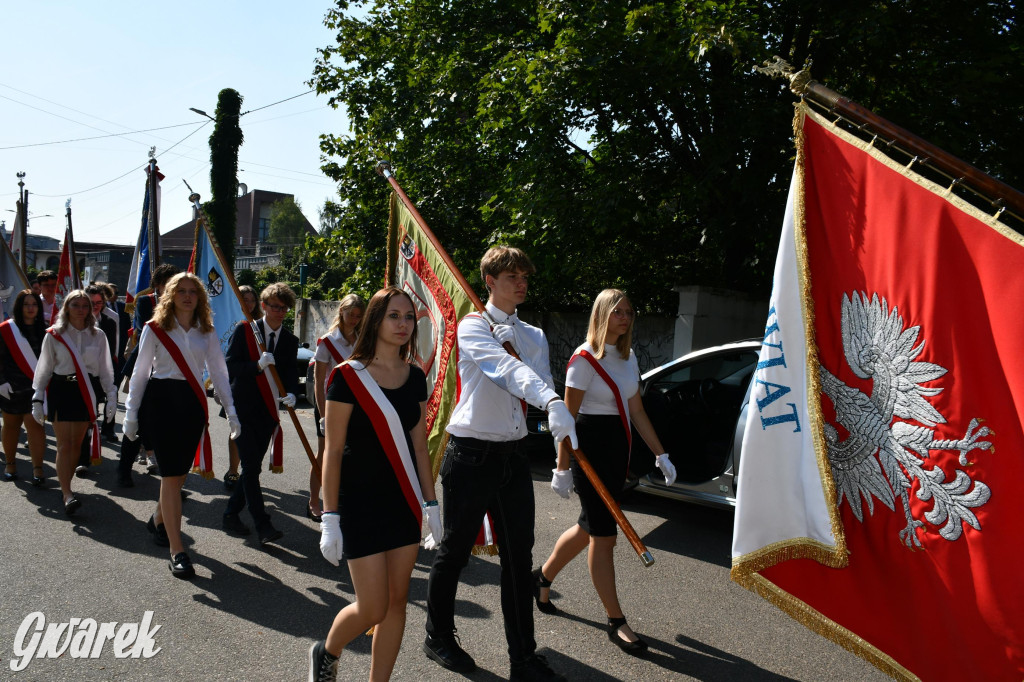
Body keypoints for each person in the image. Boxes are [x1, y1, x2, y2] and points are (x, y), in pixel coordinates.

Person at [423, 246, 576, 682]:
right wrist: (549, 399)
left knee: (518, 557)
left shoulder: (534, 335)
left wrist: (555, 412)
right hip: (471, 454)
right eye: (512, 276)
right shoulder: (473, 327)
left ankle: (523, 658)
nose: (522, 282)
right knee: (453, 552)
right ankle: (438, 636)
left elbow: (539, 381)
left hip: (513, 456)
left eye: (525, 275)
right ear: (489, 281)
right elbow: (504, 370)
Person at [533, 289, 677, 655]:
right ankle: (616, 620)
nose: (625, 317)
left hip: (618, 450)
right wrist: (562, 467)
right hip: (589, 452)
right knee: (604, 534)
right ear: (602, 315)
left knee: (588, 526)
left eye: (629, 311)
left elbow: (638, 412)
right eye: (618, 312)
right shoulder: (583, 359)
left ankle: (543, 577)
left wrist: (661, 455)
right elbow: (565, 420)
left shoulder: (627, 358)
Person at [309, 286, 442, 682]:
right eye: (393, 316)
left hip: (403, 500)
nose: (403, 324)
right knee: (373, 607)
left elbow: (420, 448)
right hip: (359, 502)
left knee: (398, 601)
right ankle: (327, 651)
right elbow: (332, 452)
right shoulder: (347, 377)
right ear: (375, 320)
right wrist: (329, 516)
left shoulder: (415, 376)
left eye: (408, 317)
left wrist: (432, 505)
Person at [124, 273, 240, 579]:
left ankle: (158, 517)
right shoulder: (155, 329)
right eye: (181, 291)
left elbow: (219, 373)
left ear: (200, 298)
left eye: (193, 292)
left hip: (192, 405)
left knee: (178, 478)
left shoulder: (207, 332)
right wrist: (131, 414)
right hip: (161, 402)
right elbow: (139, 373)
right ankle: (177, 550)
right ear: (171, 295)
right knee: (171, 474)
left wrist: (232, 412)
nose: (187, 296)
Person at [222, 282, 299, 545]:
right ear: (263, 306)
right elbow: (230, 366)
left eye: (284, 308)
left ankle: (231, 513)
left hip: (268, 411)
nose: (279, 312)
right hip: (242, 408)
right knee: (252, 467)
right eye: (275, 306)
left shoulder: (290, 340)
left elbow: (289, 375)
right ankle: (262, 523)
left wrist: (291, 394)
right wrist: (256, 365)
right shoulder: (246, 331)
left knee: (252, 468)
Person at [31, 290, 117, 515]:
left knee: (76, 445)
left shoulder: (98, 336)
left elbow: (106, 369)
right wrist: (38, 397)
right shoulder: (55, 334)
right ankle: (67, 493)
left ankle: (64, 487)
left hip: (86, 391)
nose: (80, 309)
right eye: (75, 305)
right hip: (62, 390)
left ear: (90, 309)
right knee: (63, 444)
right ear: (66, 307)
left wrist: (111, 395)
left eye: (84, 305)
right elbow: (44, 367)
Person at [117, 263, 180, 487]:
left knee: (165, 426)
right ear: (158, 284)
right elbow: (147, 330)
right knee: (136, 419)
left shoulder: (182, 304)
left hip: (170, 369)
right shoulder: (145, 301)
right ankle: (124, 470)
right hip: (145, 365)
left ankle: (169, 480)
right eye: (168, 284)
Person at [308, 293, 365, 520]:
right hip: (329, 406)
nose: (354, 319)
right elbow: (319, 382)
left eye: (358, 316)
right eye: (351, 314)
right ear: (341, 311)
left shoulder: (362, 340)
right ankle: (314, 500)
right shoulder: (328, 342)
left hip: (355, 406)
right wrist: (323, 416)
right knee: (324, 454)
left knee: (351, 456)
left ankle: (343, 502)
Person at [0, 290, 47, 485]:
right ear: (19, 307)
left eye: (34, 304)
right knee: (11, 426)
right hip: (10, 387)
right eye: (26, 304)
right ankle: (10, 464)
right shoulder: (5, 329)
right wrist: (1, 381)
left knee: (35, 426)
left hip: (34, 388)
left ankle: (38, 469)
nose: (30, 308)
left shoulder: (44, 330)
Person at [223, 284, 259, 490]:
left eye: (252, 300)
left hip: (257, 384)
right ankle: (232, 470)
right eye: (244, 300)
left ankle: (250, 472)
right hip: (236, 383)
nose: (249, 304)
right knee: (236, 428)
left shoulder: (260, 324)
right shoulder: (233, 323)